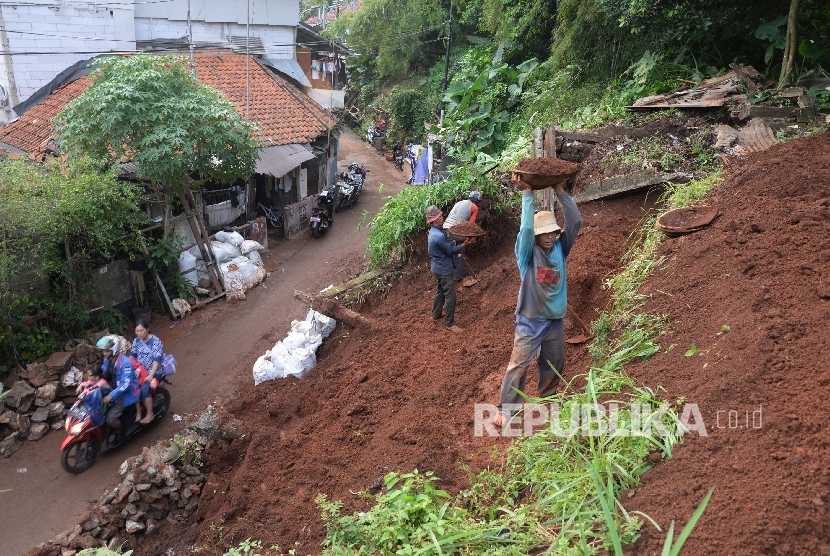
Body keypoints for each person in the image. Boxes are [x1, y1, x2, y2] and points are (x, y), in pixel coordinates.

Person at [493, 178, 582, 427]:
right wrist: (528, 195)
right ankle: (506, 408)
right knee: (519, 365)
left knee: (554, 362)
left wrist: (560, 192)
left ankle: (548, 396)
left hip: (555, 320)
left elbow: (575, 221)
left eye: (553, 232)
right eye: (544, 233)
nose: (549, 237)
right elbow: (526, 230)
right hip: (530, 320)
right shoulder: (527, 253)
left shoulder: (560, 249)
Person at [426, 205, 472, 334]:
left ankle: (436, 314)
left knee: (440, 290)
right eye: (440, 216)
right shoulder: (438, 236)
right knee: (451, 296)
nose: (442, 217)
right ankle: (450, 323)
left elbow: (446, 247)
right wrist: (463, 244)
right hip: (444, 269)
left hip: (437, 267)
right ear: (435, 220)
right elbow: (450, 251)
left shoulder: (435, 232)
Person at [96, 337, 140, 439]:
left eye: (106, 351)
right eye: (103, 351)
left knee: (110, 419)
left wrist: (111, 395)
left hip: (126, 394)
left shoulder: (125, 363)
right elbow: (103, 371)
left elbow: (125, 385)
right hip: (114, 390)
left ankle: (120, 431)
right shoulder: (108, 360)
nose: (104, 354)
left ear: (114, 350)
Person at [443, 191, 482, 280]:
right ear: (477, 202)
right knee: (459, 252)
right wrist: (471, 238)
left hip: (445, 228)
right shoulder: (474, 207)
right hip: (454, 232)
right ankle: (459, 276)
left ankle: (449, 275)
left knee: (450, 252)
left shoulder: (459, 203)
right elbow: (470, 225)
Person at [130, 320, 163, 424]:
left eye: (142, 330)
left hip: (153, 371)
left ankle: (150, 414)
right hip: (139, 371)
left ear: (147, 329)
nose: (139, 333)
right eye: (137, 331)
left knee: (144, 389)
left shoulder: (156, 341)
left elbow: (157, 361)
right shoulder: (136, 341)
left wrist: (151, 375)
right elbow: (132, 357)